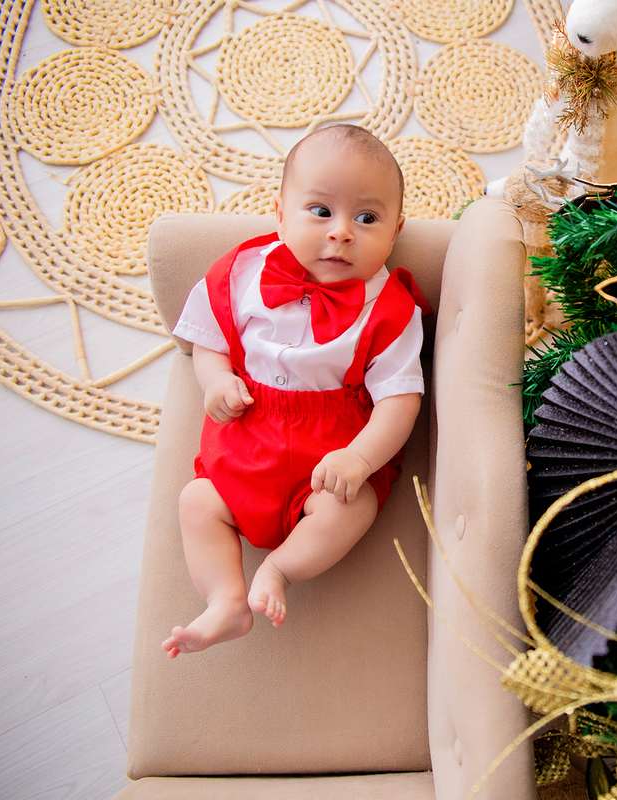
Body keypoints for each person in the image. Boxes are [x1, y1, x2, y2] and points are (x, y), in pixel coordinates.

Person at [162, 125, 429, 658]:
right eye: (321, 211)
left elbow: (401, 401)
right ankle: (225, 600)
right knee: (197, 503)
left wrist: (359, 458)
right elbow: (208, 337)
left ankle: (280, 569)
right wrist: (215, 379)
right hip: (246, 437)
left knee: (351, 510)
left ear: (395, 230)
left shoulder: (391, 309)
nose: (342, 233)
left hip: (331, 451)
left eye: (368, 218)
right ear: (280, 211)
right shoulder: (241, 271)